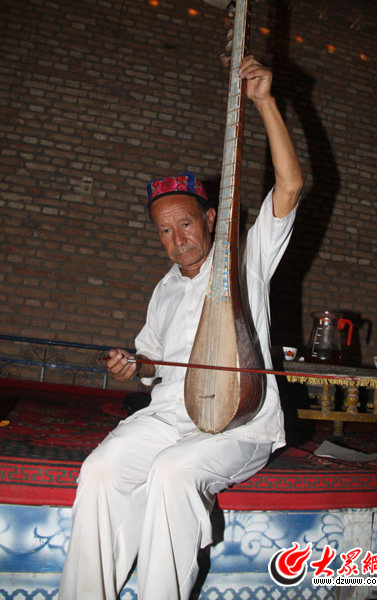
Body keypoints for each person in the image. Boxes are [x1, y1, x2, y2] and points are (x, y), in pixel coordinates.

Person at [58, 55, 303, 600]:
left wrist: (265, 102)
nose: (177, 239)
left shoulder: (246, 260)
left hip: (239, 426)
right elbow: (151, 362)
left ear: (210, 218)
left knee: (172, 473)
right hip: (168, 415)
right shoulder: (165, 288)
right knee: (99, 470)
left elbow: (289, 185)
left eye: (185, 224)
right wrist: (133, 366)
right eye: (165, 232)